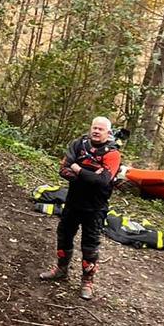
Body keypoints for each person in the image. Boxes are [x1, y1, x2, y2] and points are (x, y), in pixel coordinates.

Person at [39, 117, 121, 300]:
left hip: (96, 208)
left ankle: (87, 281)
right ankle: (61, 269)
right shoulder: (79, 144)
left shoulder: (112, 154)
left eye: (101, 129)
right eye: (95, 127)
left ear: (109, 133)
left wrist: (78, 169)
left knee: (90, 246)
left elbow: (102, 181)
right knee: (64, 235)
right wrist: (88, 176)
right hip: (73, 202)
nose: (97, 131)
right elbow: (63, 169)